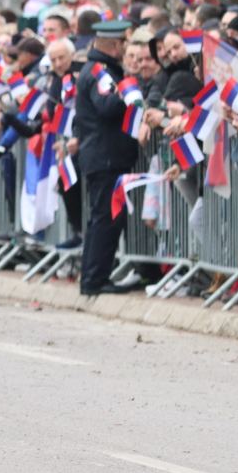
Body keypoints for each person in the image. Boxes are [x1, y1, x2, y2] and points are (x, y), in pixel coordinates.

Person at [72, 20, 139, 296]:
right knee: (106, 219)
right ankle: (95, 280)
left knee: (102, 218)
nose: (125, 49)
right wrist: (130, 87)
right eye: (123, 44)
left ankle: (93, 278)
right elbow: (108, 106)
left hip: (103, 155)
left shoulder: (98, 68)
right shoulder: (101, 72)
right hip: (106, 156)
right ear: (113, 45)